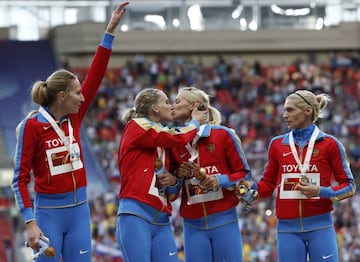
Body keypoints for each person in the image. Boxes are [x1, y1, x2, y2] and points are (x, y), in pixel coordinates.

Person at [11, 2, 129, 261]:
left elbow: (96, 75)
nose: (82, 97)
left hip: (79, 213)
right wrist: (30, 222)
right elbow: (19, 179)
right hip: (48, 215)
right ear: (62, 96)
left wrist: (109, 32)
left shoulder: (74, 117)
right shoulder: (32, 126)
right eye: (77, 93)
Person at [241, 89, 356, 262]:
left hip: (321, 226)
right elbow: (267, 184)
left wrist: (321, 191)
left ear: (308, 111)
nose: (284, 115)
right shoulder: (277, 144)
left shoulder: (330, 144)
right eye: (284, 110)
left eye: (290, 110)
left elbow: (349, 186)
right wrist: (251, 189)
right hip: (287, 230)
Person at [116, 88, 207, 262]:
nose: (171, 106)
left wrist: (174, 179)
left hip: (162, 218)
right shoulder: (137, 125)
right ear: (155, 108)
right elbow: (177, 137)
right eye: (166, 102)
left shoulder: (161, 139)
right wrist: (194, 123)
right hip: (137, 213)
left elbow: (172, 193)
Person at [170, 86, 252, 262]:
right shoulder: (174, 141)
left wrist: (219, 180)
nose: (172, 106)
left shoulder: (223, 134)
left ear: (194, 105)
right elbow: (172, 193)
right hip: (192, 225)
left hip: (224, 220)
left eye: (178, 101)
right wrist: (177, 175)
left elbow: (244, 174)